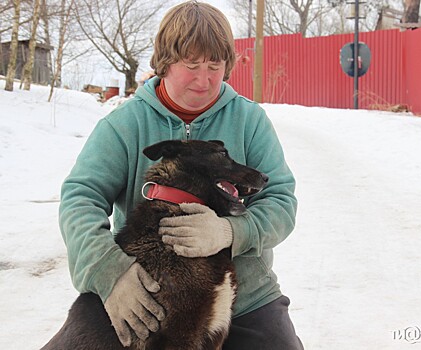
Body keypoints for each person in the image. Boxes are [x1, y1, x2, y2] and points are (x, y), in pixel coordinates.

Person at [59, 1, 303, 349]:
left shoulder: (249, 121)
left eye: (214, 66)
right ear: (165, 63)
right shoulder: (124, 125)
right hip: (155, 295)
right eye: (191, 65)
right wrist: (109, 273)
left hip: (245, 295)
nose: (204, 80)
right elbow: (80, 198)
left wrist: (230, 231)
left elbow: (280, 201)